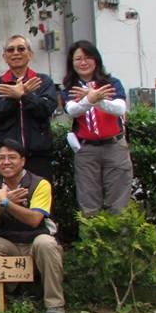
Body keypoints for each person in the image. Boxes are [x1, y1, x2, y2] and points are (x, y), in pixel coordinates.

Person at [0, 139, 66, 313]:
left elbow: (34, 220)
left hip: (35, 241)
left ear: (23, 161)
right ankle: (14, 289)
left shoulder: (40, 184)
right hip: (9, 242)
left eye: (12, 157)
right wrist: (2, 204)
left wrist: (6, 202)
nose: (6, 162)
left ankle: (54, 306)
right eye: (1, 158)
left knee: (47, 244)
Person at [62, 41, 133, 215]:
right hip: (86, 150)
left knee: (118, 204)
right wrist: (89, 99)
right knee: (89, 204)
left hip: (115, 147)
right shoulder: (70, 88)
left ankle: (118, 242)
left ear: (96, 60)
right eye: (78, 58)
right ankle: (91, 241)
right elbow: (73, 110)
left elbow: (119, 108)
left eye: (87, 57)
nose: (83, 62)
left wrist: (95, 98)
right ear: (72, 63)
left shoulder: (111, 83)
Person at [0, 35, 57, 179]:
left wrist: (25, 96)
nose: (16, 53)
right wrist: (14, 98)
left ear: (30, 54)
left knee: (40, 197)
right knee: (8, 198)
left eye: (21, 49)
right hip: (7, 156)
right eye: (10, 50)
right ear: (4, 56)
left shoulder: (43, 81)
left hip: (39, 153)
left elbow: (46, 109)